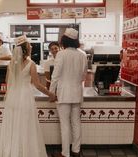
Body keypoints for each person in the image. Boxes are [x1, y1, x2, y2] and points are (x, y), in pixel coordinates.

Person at [0, 35, 55, 157]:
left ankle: (13, 152)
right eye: (30, 46)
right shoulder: (31, 64)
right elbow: (38, 85)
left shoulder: (11, 64)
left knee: (13, 126)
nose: (31, 47)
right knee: (26, 125)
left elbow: (8, 82)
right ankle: (26, 152)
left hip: (13, 97)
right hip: (25, 98)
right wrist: (50, 94)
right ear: (26, 49)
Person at [50, 28, 87, 157]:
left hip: (63, 94)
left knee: (65, 125)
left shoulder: (61, 54)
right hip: (77, 93)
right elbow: (84, 76)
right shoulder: (82, 54)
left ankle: (65, 153)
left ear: (64, 40)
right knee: (76, 123)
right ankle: (76, 151)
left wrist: (51, 93)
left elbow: (55, 76)